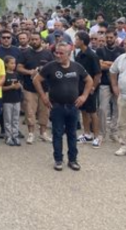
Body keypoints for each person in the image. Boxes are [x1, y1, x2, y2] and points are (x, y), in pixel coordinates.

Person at [33, 43, 93, 171]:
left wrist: (84, 96)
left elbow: (89, 80)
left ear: (69, 54)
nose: (58, 55)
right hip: (57, 107)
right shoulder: (51, 66)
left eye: (61, 53)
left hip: (73, 106)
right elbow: (36, 80)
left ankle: (73, 160)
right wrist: (43, 96)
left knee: (72, 134)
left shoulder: (77, 67)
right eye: (56, 52)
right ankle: (58, 160)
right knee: (57, 133)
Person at [17, 31, 54, 144]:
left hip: (45, 88)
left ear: (41, 40)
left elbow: (53, 68)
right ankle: (31, 134)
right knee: (30, 111)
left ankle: (43, 133)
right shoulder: (25, 53)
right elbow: (19, 67)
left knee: (44, 111)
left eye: (36, 39)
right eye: (32, 39)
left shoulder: (48, 53)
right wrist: (29, 72)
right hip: (29, 87)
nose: (34, 41)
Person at [96, 28, 125, 142]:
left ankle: (114, 132)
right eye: (107, 37)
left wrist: (107, 63)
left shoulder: (121, 51)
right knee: (102, 109)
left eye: (111, 37)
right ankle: (102, 133)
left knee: (118, 109)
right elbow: (100, 66)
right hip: (104, 83)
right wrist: (113, 65)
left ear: (115, 37)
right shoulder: (100, 50)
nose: (108, 39)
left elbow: (122, 67)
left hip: (119, 83)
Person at [74, 31, 102, 147]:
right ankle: (87, 134)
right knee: (83, 111)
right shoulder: (79, 54)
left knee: (92, 112)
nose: (74, 41)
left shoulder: (92, 55)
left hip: (90, 89)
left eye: (76, 39)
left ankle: (97, 136)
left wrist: (93, 87)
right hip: (80, 87)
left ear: (82, 41)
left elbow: (98, 74)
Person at [2, 56, 23, 146]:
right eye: (11, 63)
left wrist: (19, 86)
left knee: (15, 119)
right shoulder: (4, 74)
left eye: (14, 63)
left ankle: (15, 136)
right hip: (7, 100)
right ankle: (8, 136)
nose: (13, 65)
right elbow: (1, 88)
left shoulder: (16, 74)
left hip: (16, 99)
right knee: (8, 119)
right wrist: (11, 87)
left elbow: (20, 85)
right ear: (6, 64)